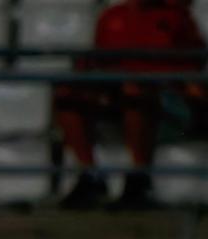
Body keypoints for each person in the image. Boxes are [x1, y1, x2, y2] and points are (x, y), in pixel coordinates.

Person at [56, 0, 207, 210]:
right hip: (116, 97)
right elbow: (95, 64)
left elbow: (192, 75)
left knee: (135, 89)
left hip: (165, 102)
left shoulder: (177, 18)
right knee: (68, 91)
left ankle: (139, 179)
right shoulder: (111, 17)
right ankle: (90, 175)